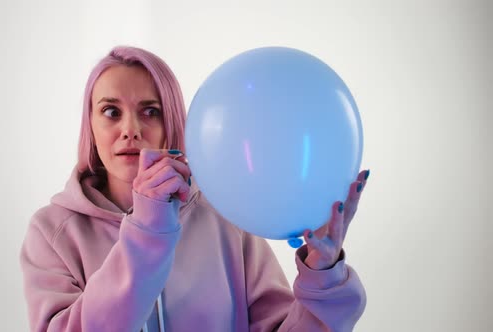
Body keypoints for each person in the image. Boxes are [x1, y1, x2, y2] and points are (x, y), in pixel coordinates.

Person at [20, 45, 369, 332]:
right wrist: (148, 229)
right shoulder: (52, 232)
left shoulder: (225, 216)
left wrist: (323, 277)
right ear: (90, 124)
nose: (130, 130)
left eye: (150, 111)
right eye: (111, 111)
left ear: (172, 121)